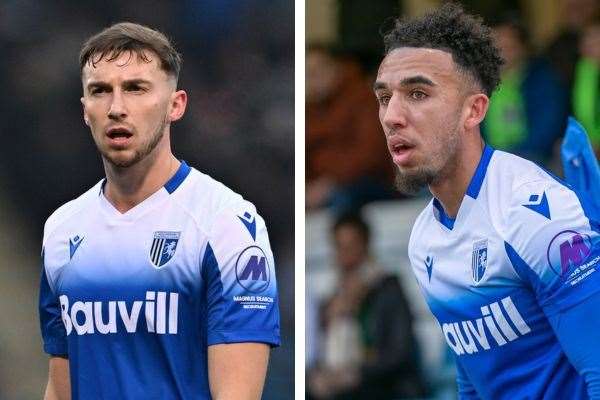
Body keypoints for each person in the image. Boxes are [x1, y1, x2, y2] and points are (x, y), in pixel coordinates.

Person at [38, 22, 280, 400]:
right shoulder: (61, 229)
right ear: (85, 110)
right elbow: (61, 385)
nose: (117, 108)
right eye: (100, 91)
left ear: (175, 105)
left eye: (135, 88)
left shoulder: (227, 223)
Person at [373, 4, 600, 399]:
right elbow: (474, 380)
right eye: (384, 97)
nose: (392, 115)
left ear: (474, 110)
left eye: (418, 93)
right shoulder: (424, 240)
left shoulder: (533, 212)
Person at [307, 212, 425, 400]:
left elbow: (400, 352)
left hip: (384, 385)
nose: (345, 253)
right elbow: (316, 354)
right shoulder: (330, 297)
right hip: (341, 384)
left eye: (351, 245)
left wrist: (357, 374)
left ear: (366, 244)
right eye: (340, 246)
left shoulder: (388, 288)